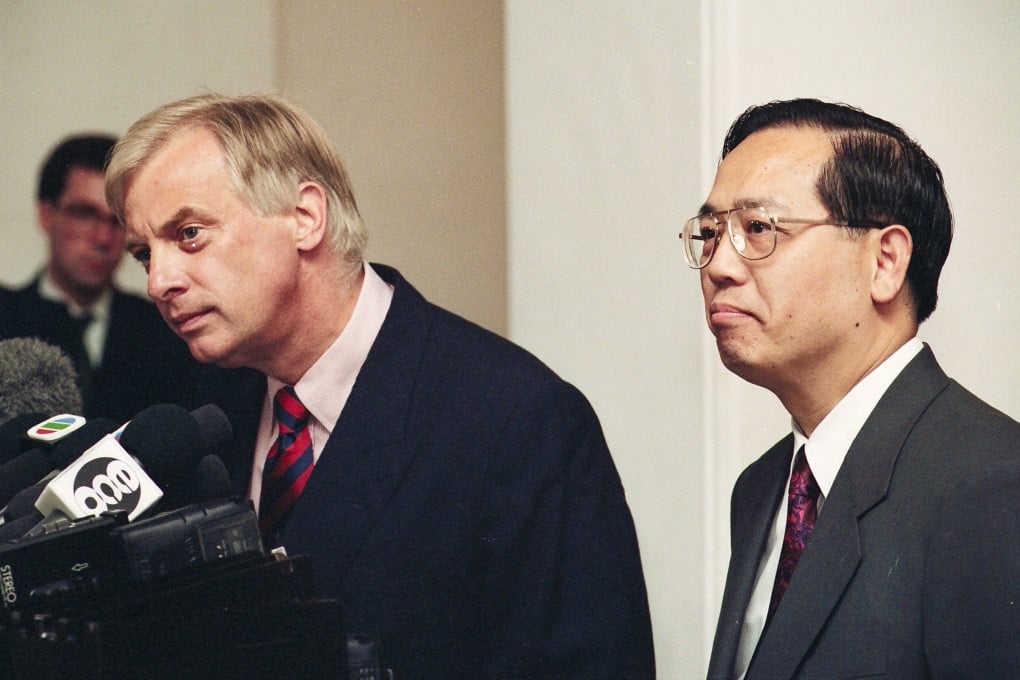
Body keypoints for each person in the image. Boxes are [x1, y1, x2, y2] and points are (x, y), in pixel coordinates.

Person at [103, 93, 654, 678]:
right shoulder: (207, 406)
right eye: (144, 254)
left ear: (304, 217)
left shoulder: (518, 419)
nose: (159, 281)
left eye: (189, 234)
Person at [687, 98, 1020, 678]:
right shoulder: (765, 487)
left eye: (759, 228)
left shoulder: (992, 483)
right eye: (712, 232)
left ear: (885, 262)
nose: (719, 265)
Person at [0, 134, 196, 423]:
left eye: (117, 220)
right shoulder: (5, 314)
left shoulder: (165, 327)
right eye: (84, 214)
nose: (103, 238)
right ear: (46, 215)